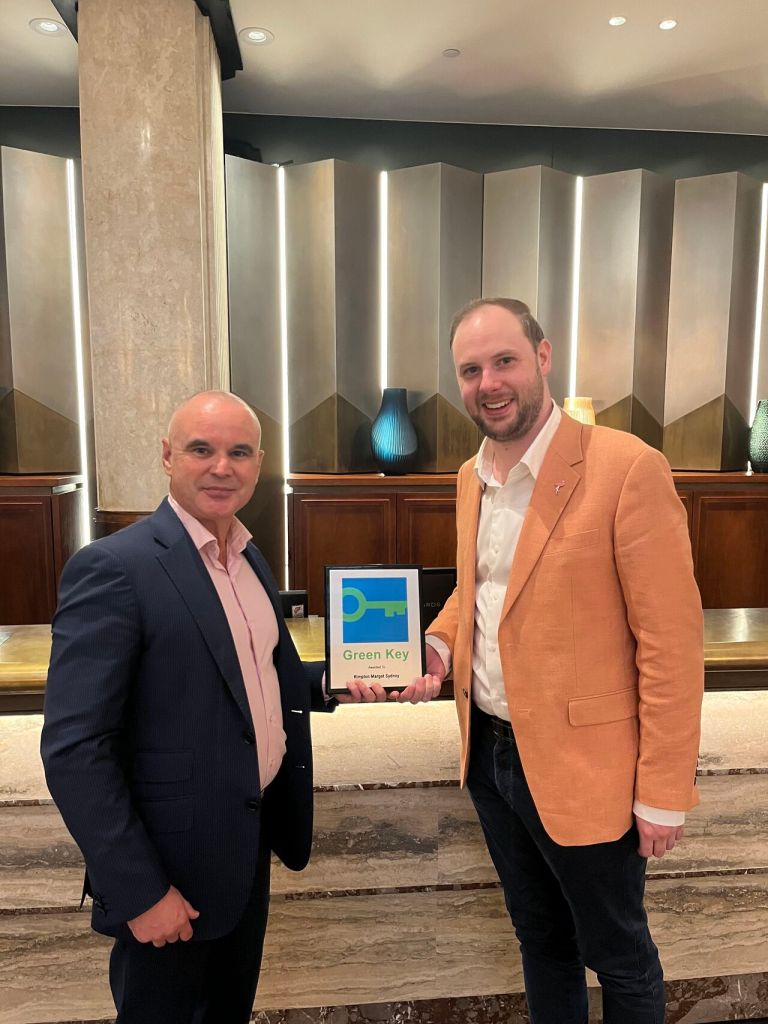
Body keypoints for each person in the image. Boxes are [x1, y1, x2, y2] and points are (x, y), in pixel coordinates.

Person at [41, 390, 441, 1024]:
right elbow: (74, 750)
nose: (221, 467)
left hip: (244, 854)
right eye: (201, 449)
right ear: (167, 456)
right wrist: (141, 892)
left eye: (240, 452)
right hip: (167, 873)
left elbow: (252, 679)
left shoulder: (248, 557)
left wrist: (335, 682)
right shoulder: (113, 567)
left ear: (259, 462)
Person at [418, 299, 704, 1024]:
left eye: (504, 361)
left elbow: (672, 644)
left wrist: (663, 790)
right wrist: (438, 646)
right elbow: (480, 588)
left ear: (543, 357)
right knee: (540, 940)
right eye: (471, 370)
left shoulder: (627, 469)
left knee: (620, 956)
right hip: (490, 756)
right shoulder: (471, 474)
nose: (489, 383)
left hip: (589, 768)